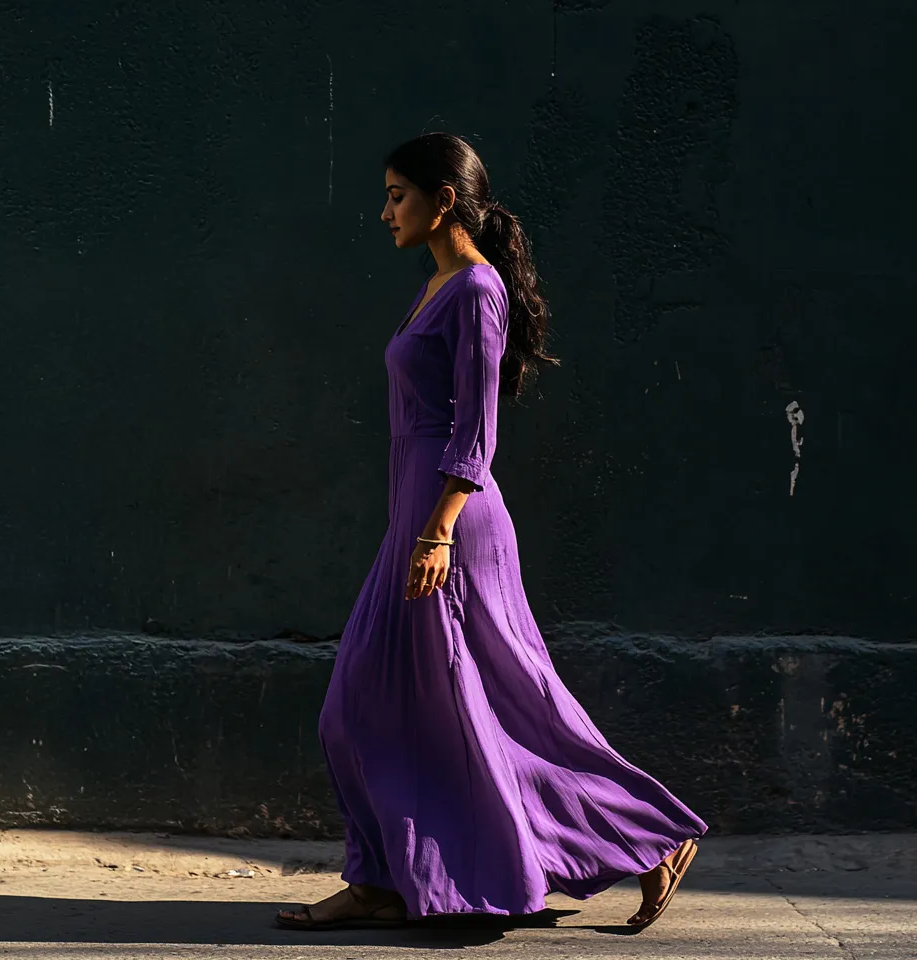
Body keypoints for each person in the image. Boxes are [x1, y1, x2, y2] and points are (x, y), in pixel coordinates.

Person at [275, 132, 706, 933]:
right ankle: (380, 879)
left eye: (397, 194)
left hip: (453, 529)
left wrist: (436, 534)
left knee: (494, 713)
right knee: (370, 708)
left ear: (444, 199)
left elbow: (475, 429)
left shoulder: (476, 290)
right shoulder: (436, 286)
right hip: (416, 521)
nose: (384, 211)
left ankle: (645, 840)